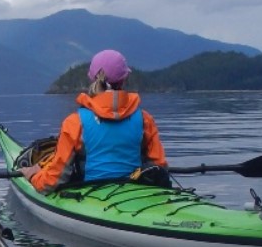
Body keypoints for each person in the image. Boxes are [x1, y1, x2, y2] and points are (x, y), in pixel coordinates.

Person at [20, 49, 168, 192]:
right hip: (135, 194)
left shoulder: (75, 122)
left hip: (91, 196)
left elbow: (53, 180)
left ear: (93, 79)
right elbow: (159, 166)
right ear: (124, 79)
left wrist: (33, 176)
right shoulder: (145, 119)